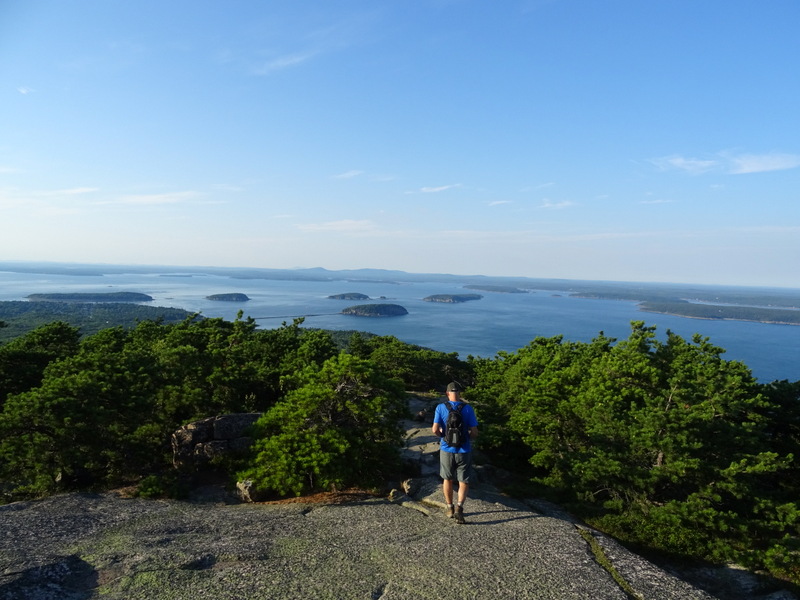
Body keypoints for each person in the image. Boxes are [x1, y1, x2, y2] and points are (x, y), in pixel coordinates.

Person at [431, 381, 478, 524]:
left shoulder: (441, 407)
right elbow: (475, 431)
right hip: (464, 449)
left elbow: (434, 430)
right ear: (460, 393)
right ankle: (459, 508)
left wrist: (443, 438)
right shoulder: (468, 408)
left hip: (446, 449)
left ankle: (450, 508)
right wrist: (467, 439)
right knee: (463, 480)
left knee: (447, 479)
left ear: (447, 393)